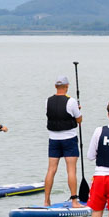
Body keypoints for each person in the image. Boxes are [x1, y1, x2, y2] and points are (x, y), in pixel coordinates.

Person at [40, 74, 84, 206]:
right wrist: (77, 109)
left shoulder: (48, 100)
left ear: (55, 86)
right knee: (71, 170)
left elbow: (56, 113)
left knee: (51, 170)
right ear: (67, 86)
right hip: (69, 139)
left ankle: (46, 201)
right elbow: (79, 120)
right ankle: (74, 200)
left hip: (53, 139)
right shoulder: (71, 101)